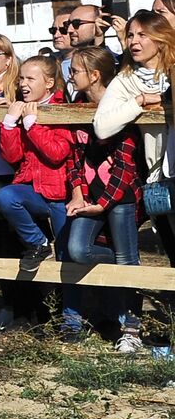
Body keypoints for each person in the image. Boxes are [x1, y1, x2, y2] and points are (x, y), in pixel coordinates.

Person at [63, 46, 141, 347]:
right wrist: (79, 193)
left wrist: (103, 204)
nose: (70, 76)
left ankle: (132, 330)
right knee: (78, 249)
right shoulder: (75, 107)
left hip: (120, 197)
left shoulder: (118, 105)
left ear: (94, 75)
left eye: (76, 71)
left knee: (128, 258)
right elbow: (74, 157)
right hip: (90, 196)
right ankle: (126, 266)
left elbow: (126, 164)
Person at [94, 9, 175, 280]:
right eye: (130, 35)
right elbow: (102, 126)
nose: (133, 41)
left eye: (142, 34)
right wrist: (139, 101)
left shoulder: (173, 71)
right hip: (160, 177)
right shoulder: (126, 81)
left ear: (161, 39)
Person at [0, 55, 72, 274]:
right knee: (6, 196)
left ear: (48, 83)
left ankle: (70, 308)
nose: (23, 84)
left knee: (66, 257)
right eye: (21, 79)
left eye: (30, 79)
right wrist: (9, 124)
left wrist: (31, 125)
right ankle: (38, 242)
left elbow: (57, 154)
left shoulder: (61, 108)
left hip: (60, 193)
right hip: (33, 188)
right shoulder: (23, 108)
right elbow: (13, 157)